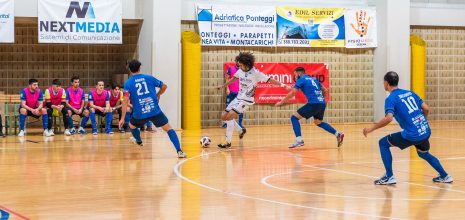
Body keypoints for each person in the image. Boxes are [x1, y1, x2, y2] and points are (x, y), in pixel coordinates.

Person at [363, 71, 453, 185]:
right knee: (423, 153)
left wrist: (371, 128)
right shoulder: (410, 93)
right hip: (425, 130)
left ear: (386, 83)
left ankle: (389, 176)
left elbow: (389, 118)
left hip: (412, 134)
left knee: (383, 143)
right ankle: (445, 176)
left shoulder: (391, 99)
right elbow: (426, 108)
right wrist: (421, 122)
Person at [216, 52, 287, 148]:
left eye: (241, 64)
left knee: (230, 117)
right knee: (224, 116)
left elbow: (270, 80)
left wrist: (283, 85)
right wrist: (223, 86)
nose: (239, 66)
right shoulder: (240, 70)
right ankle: (240, 130)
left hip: (246, 100)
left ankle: (228, 142)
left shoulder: (256, 73)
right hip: (238, 98)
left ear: (246, 64)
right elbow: (234, 79)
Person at [118, 59, 186, 158]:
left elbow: (125, 101)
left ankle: (139, 141)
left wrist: (122, 118)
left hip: (140, 113)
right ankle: (179, 151)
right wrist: (158, 95)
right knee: (169, 129)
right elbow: (164, 86)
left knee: (132, 126)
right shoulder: (149, 78)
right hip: (154, 110)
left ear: (130, 70)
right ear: (140, 67)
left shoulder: (128, 83)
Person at [276, 67, 344, 148]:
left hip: (313, 103)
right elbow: (325, 90)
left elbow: (293, 92)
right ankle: (338, 134)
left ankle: (299, 140)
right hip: (322, 103)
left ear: (299, 73)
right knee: (318, 122)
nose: (295, 77)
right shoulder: (314, 79)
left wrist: (282, 101)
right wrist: (320, 99)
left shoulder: (301, 79)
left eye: (295, 74)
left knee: (294, 117)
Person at [222, 62, 244, 129]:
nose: (239, 62)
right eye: (238, 61)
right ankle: (226, 123)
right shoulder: (230, 69)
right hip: (231, 92)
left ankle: (240, 124)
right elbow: (227, 78)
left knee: (241, 108)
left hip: (239, 93)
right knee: (228, 107)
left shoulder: (243, 70)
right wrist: (227, 89)